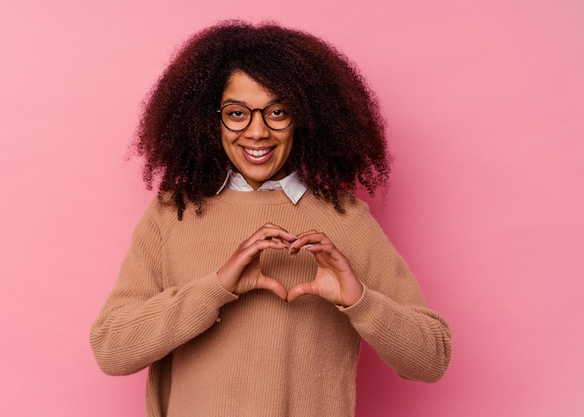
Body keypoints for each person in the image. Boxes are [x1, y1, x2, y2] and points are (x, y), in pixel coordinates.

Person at [90, 20, 452, 417]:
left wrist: (359, 300)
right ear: (209, 119)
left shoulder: (343, 217)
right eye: (237, 113)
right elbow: (112, 350)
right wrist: (217, 288)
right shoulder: (172, 213)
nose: (257, 132)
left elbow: (431, 360)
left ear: (306, 117)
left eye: (277, 111)